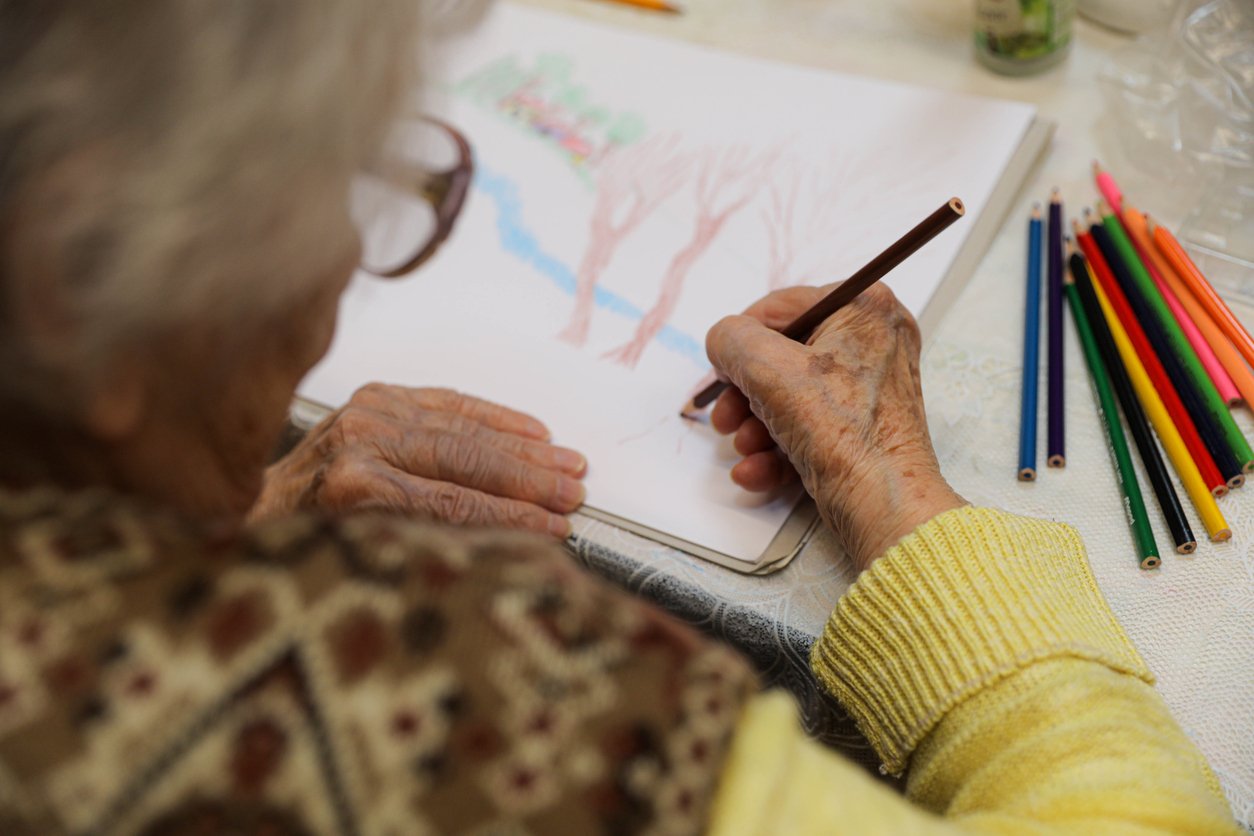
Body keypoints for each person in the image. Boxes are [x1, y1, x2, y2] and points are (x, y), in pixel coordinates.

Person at [0, 2, 1238, 834]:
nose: (335, 276)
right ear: (71, 272)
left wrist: (241, 512)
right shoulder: (447, 682)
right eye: (336, 188)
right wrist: (899, 487)